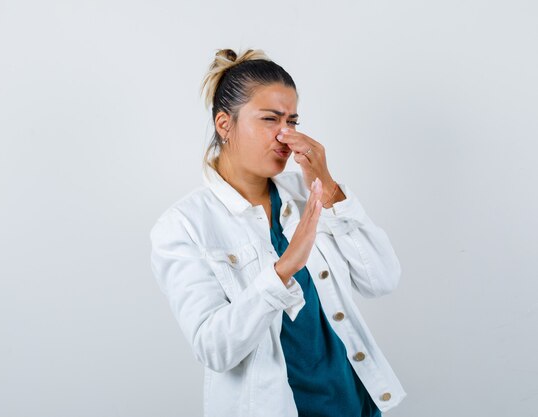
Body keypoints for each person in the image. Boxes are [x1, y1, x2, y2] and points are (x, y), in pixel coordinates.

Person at [149, 48, 406, 417]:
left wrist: (329, 188)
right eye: (270, 119)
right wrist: (282, 270)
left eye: (293, 121)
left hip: (356, 404)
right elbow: (213, 348)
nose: (286, 135)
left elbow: (381, 279)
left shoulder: (310, 192)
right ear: (225, 124)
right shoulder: (183, 225)